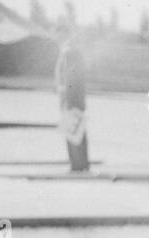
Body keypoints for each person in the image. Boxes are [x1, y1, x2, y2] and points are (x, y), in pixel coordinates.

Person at [54, 31, 90, 173]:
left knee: (72, 132)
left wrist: (66, 99)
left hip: (71, 98)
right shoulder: (75, 52)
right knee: (79, 131)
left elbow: (68, 78)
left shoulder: (68, 52)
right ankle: (83, 164)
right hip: (77, 98)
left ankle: (76, 165)